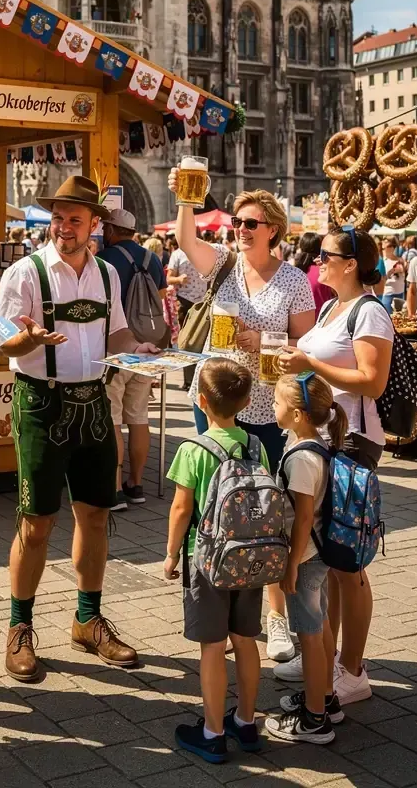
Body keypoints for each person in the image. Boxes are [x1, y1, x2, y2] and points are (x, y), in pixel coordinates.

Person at [0, 175, 160, 683]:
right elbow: (3, 345)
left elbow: (117, 332)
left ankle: (87, 620)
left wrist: (142, 349)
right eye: (58, 218)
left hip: (94, 404)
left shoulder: (108, 274)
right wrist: (27, 341)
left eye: (75, 219)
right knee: (36, 522)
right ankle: (19, 628)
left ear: (95, 224)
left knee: (95, 516)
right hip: (41, 405)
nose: (64, 228)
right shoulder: (24, 274)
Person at [168, 174, 315, 665]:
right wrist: (187, 195)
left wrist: (265, 343)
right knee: (212, 498)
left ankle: (274, 617)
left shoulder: (294, 280)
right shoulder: (225, 265)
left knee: (266, 509)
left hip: (267, 406)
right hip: (215, 397)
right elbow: (187, 241)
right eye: (237, 222)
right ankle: (211, 595)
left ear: (274, 228)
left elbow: (305, 351)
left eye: (251, 223)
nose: (241, 229)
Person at [275, 226, 392, 706]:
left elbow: (372, 382)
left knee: (349, 564)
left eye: (327, 255)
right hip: (321, 443)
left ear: (351, 263)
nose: (318, 260)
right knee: (327, 560)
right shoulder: (329, 307)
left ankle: (354, 669)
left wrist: (310, 364)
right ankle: (327, 654)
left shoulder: (370, 313)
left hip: (351, 447)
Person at [164, 359, 266, 764]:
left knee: (212, 646)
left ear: (201, 401)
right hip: (251, 558)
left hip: (206, 560)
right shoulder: (256, 445)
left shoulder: (193, 449)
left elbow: (179, 509)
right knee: (245, 640)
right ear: (243, 402)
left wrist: (171, 553)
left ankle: (212, 731)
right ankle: (245, 721)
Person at [266, 373, 348, 745]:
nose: (273, 407)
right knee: (323, 628)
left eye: (278, 403)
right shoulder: (317, 445)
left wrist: (291, 565)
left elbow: (301, 518)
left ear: (298, 414)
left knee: (310, 638)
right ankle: (326, 699)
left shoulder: (300, 460)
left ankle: (315, 720)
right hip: (319, 555)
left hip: (305, 559)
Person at [99, 208, 167, 509]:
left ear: (112, 230)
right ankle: (136, 484)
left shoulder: (105, 259)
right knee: (139, 417)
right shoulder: (152, 258)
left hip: (115, 346)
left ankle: (114, 489)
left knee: (112, 417)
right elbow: (161, 297)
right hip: (147, 344)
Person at [166, 243, 208, 326]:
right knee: (184, 333)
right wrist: (179, 279)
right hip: (184, 301)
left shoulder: (205, 252)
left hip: (203, 302)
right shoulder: (177, 254)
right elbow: (168, 279)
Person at [294, 233, 336, 312]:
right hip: (323, 320)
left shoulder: (294, 272)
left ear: (301, 247)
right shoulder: (325, 272)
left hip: (300, 320)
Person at [379, 236, 405, 314]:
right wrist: (389, 274)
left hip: (400, 293)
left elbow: (406, 277)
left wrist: (404, 270)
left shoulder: (400, 260)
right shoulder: (382, 261)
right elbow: (380, 281)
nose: (389, 248)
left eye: (391, 246)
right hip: (388, 293)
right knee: (388, 317)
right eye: (385, 246)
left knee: (400, 319)